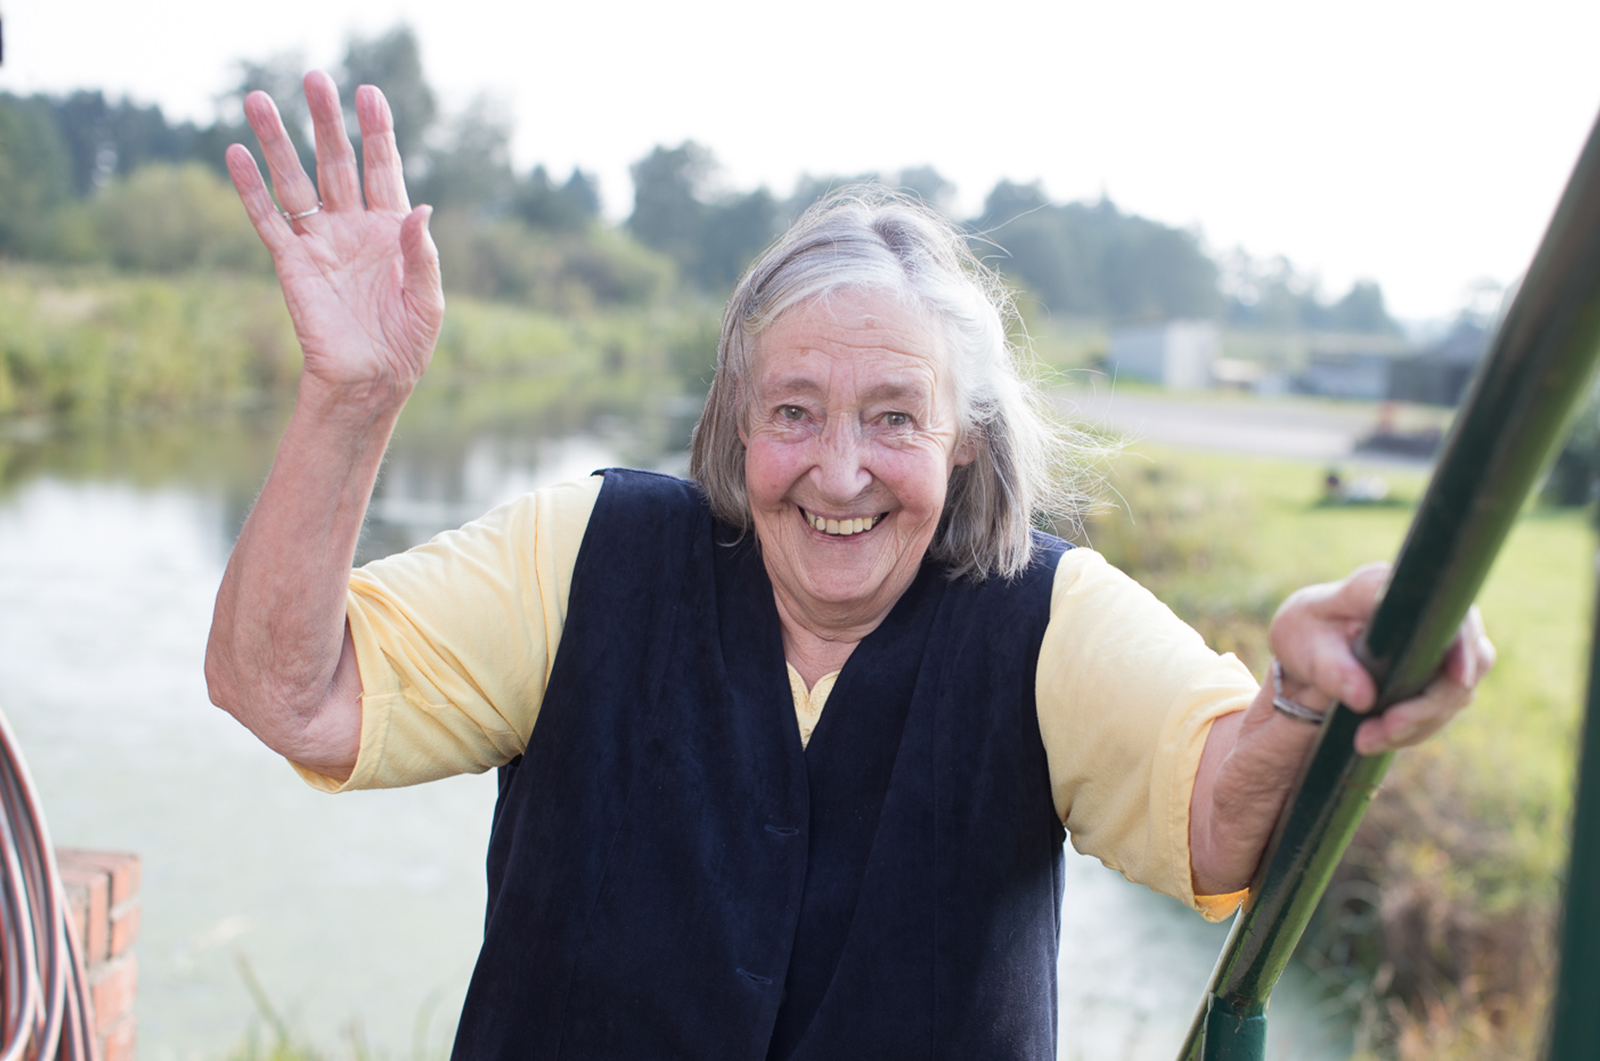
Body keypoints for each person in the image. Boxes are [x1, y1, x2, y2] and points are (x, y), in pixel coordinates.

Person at [205, 73, 1494, 1060]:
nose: (837, 471)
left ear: (967, 443)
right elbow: (288, 693)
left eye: (893, 416)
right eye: (794, 412)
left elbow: (1222, 816)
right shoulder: (580, 553)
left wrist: (1308, 692)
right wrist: (352, 396)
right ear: (733, 423)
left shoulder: (1049, 620)